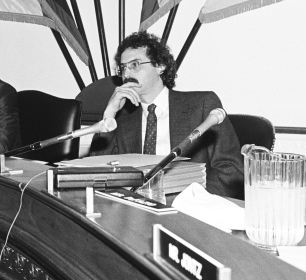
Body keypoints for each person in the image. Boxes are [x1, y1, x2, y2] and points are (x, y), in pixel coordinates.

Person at [89, 31, 244, 198]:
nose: (127, 74)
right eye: (123, 68)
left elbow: (231, 169)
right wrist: (109, 112)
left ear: (160, 66)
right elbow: (96, 173)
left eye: (134, 65)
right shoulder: (123, 120)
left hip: (191, 211)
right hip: (137, 211)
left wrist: (193, 203)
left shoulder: (202, 105)